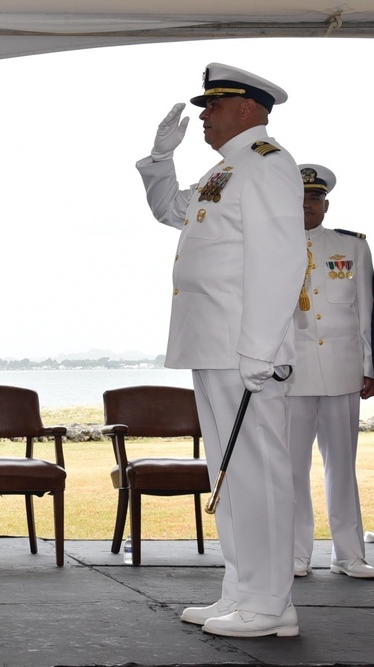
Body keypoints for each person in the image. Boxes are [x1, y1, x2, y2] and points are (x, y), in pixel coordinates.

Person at [136, 63, 306, 637]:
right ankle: (244, 591)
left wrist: (260, 347)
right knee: (231, 473)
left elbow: (281, 257)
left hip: (244, 348)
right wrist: (160, 162)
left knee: (260, 473)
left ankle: (271, 600)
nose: (203, 115)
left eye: (214, 105)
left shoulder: (267, 165)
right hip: (215, 344)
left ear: (248, 109)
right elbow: (170, 212)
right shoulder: (224, 172)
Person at [287, 164, 374, 579]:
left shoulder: (353, 247)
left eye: (315, 199)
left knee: (343, 464)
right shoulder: (271, 246)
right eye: (300, 199)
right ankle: (295, 553)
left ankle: (349, 554)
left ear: (326, 204)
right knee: (292, 468)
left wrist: (369, 365)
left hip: (342, 369)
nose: (307, 206)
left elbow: (366, 312)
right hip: (291, 372)